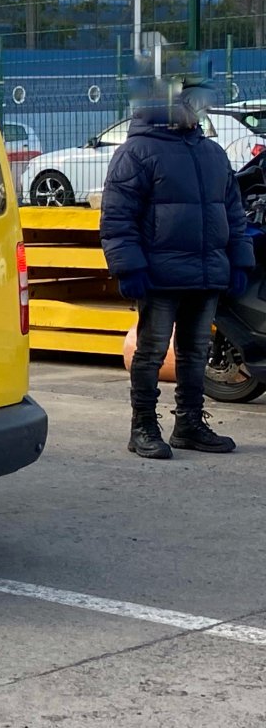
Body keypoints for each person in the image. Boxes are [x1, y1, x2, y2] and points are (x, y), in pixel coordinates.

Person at [101, 77, 255, 459]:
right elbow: (118, 217)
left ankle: (189, 424)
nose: (202, 109)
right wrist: (129, 268)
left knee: (196, 352)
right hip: (159, 275)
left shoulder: (212, 153)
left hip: (205, 274)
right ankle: (143, 428)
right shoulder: (137, 152)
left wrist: (240, 259)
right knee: (152, 352)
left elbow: (234, 214)